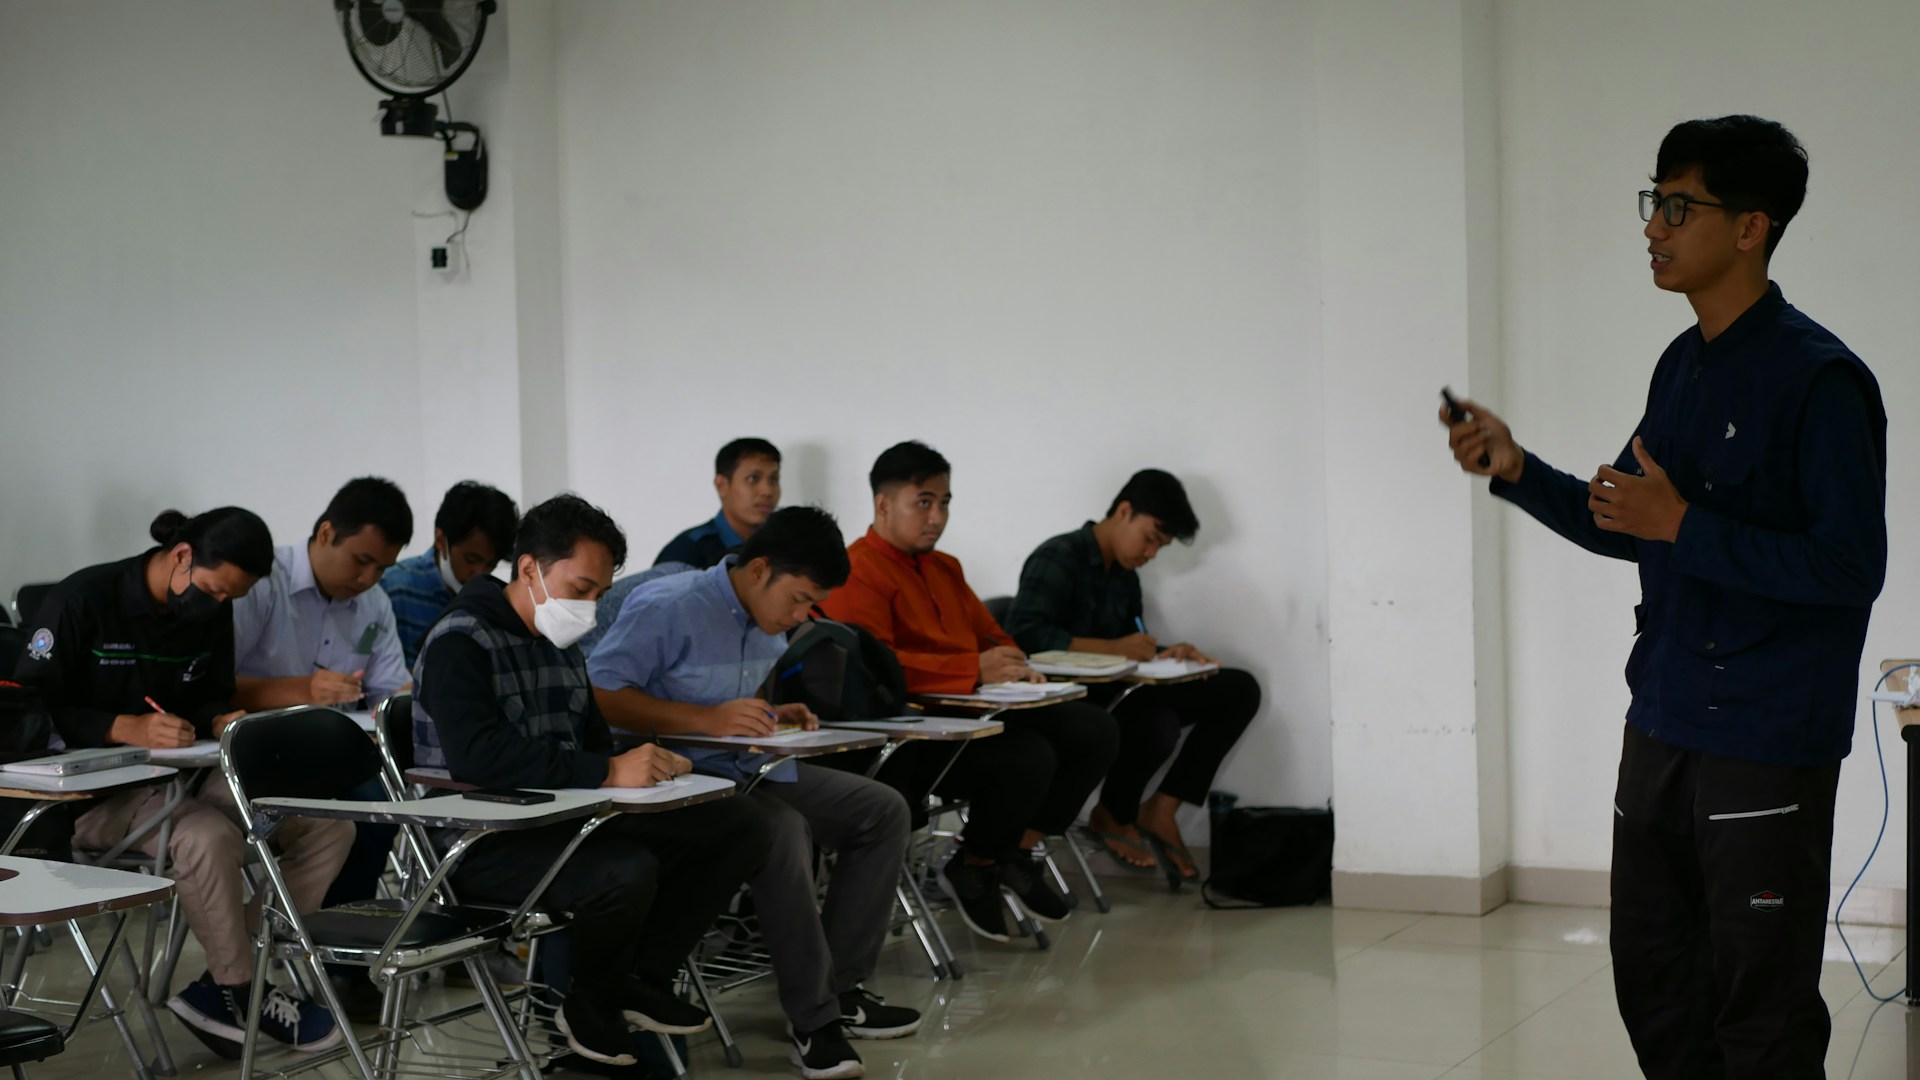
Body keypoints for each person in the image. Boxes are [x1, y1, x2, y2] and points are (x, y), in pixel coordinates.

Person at [1440, 116, 1884, 1078]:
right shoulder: (1682, 366)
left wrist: (1685, 525)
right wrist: (1519, 470)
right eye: (1655, 203)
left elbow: (1850, 569)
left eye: (1678, 207)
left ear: (1750, 228)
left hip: (1767, 741)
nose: (1654, 227)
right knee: (1655, 978)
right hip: (1665, 719)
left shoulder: (1824, 381)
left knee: (1757, 1007)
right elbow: (1629, 518)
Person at [413, 493, 769, 1068]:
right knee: (624, 869)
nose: (591, 609)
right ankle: (590, 1004)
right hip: (481, 839)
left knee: (740, 824)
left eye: (600, 594)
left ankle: (640, 979)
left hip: (565, 816)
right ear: (529, 568)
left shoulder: (561, 645)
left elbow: (595, 743)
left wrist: (651, 766)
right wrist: (606, 771)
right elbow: (478, 756)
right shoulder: (461, 640)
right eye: (581, 589)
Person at [592, 506, 917, 1080]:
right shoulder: (670, 606)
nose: (800, 615)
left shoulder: (768, 619)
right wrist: (705, 717)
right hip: (680, 778)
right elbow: (602, 697)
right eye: (797, 599)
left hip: (748, 766)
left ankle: (842, 990)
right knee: (781, 830)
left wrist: (770, 712)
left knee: (881, 810)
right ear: (760, 569)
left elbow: (737, 695)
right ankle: (815, 1025)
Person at [13, 508, 351, 1058]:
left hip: (185, 776)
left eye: (230, 599)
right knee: (206, 838)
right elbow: (25, 706)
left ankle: (240, 969)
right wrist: (121, 726)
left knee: (326, 827)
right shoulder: (84, 600)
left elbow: (211, 690)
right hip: (91, 795)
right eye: (216, 591)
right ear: (182, 557)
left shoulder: (210, 609)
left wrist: (222, 719)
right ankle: (240, 989)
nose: (219, 606)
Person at [818, 441, 1118, 943]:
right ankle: (974, 863)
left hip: (974, 712)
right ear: (883, 505)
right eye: (925, 502)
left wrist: (1013, 664)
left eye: (946, 502)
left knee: (1096, 729)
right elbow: (877, 670)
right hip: (912, 733)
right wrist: (973, 671)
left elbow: (992, 634)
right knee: (1028, 755)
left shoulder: (945, 567)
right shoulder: (858, 571)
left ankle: (1016, 853)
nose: (938, 516)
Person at [1003, 469, 1261, 882]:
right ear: (1124, 512)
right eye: (1151, 538)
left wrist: (1168, 656)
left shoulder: (1125, 577)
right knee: (1154, 723)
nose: (1151, 553)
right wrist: (1115, 648)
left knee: (1238, 688)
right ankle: (1113, 814)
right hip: (1070, 699)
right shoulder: (1058, 556)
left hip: (1118, 687)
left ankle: (1160, 809)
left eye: (1160, 546)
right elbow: (1023, 636)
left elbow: (1127, 646)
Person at [229, 476, 414, 1016]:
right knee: (356, 804)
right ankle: (304, 953)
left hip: (326, 754)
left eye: (382, 568)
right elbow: (211, 685)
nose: (368, 577)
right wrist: (302, 692)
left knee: (382, 806)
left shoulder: (372, 603)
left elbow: (387, 688)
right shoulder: (263, 583)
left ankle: (343, 958)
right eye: (361, 560)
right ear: (327, 532)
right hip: (252, 757)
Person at [379, 481, 519, 666]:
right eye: (471, 559)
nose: (480, 573)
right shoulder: (394, 588)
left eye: (491, 564)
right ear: (440, 540)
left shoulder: (490, 599)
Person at [654, 438, 782, 569]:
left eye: (773, 479)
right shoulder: (686, 552)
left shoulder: (783, 547)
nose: (767, 491)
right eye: (753, 478)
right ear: (722, 485)